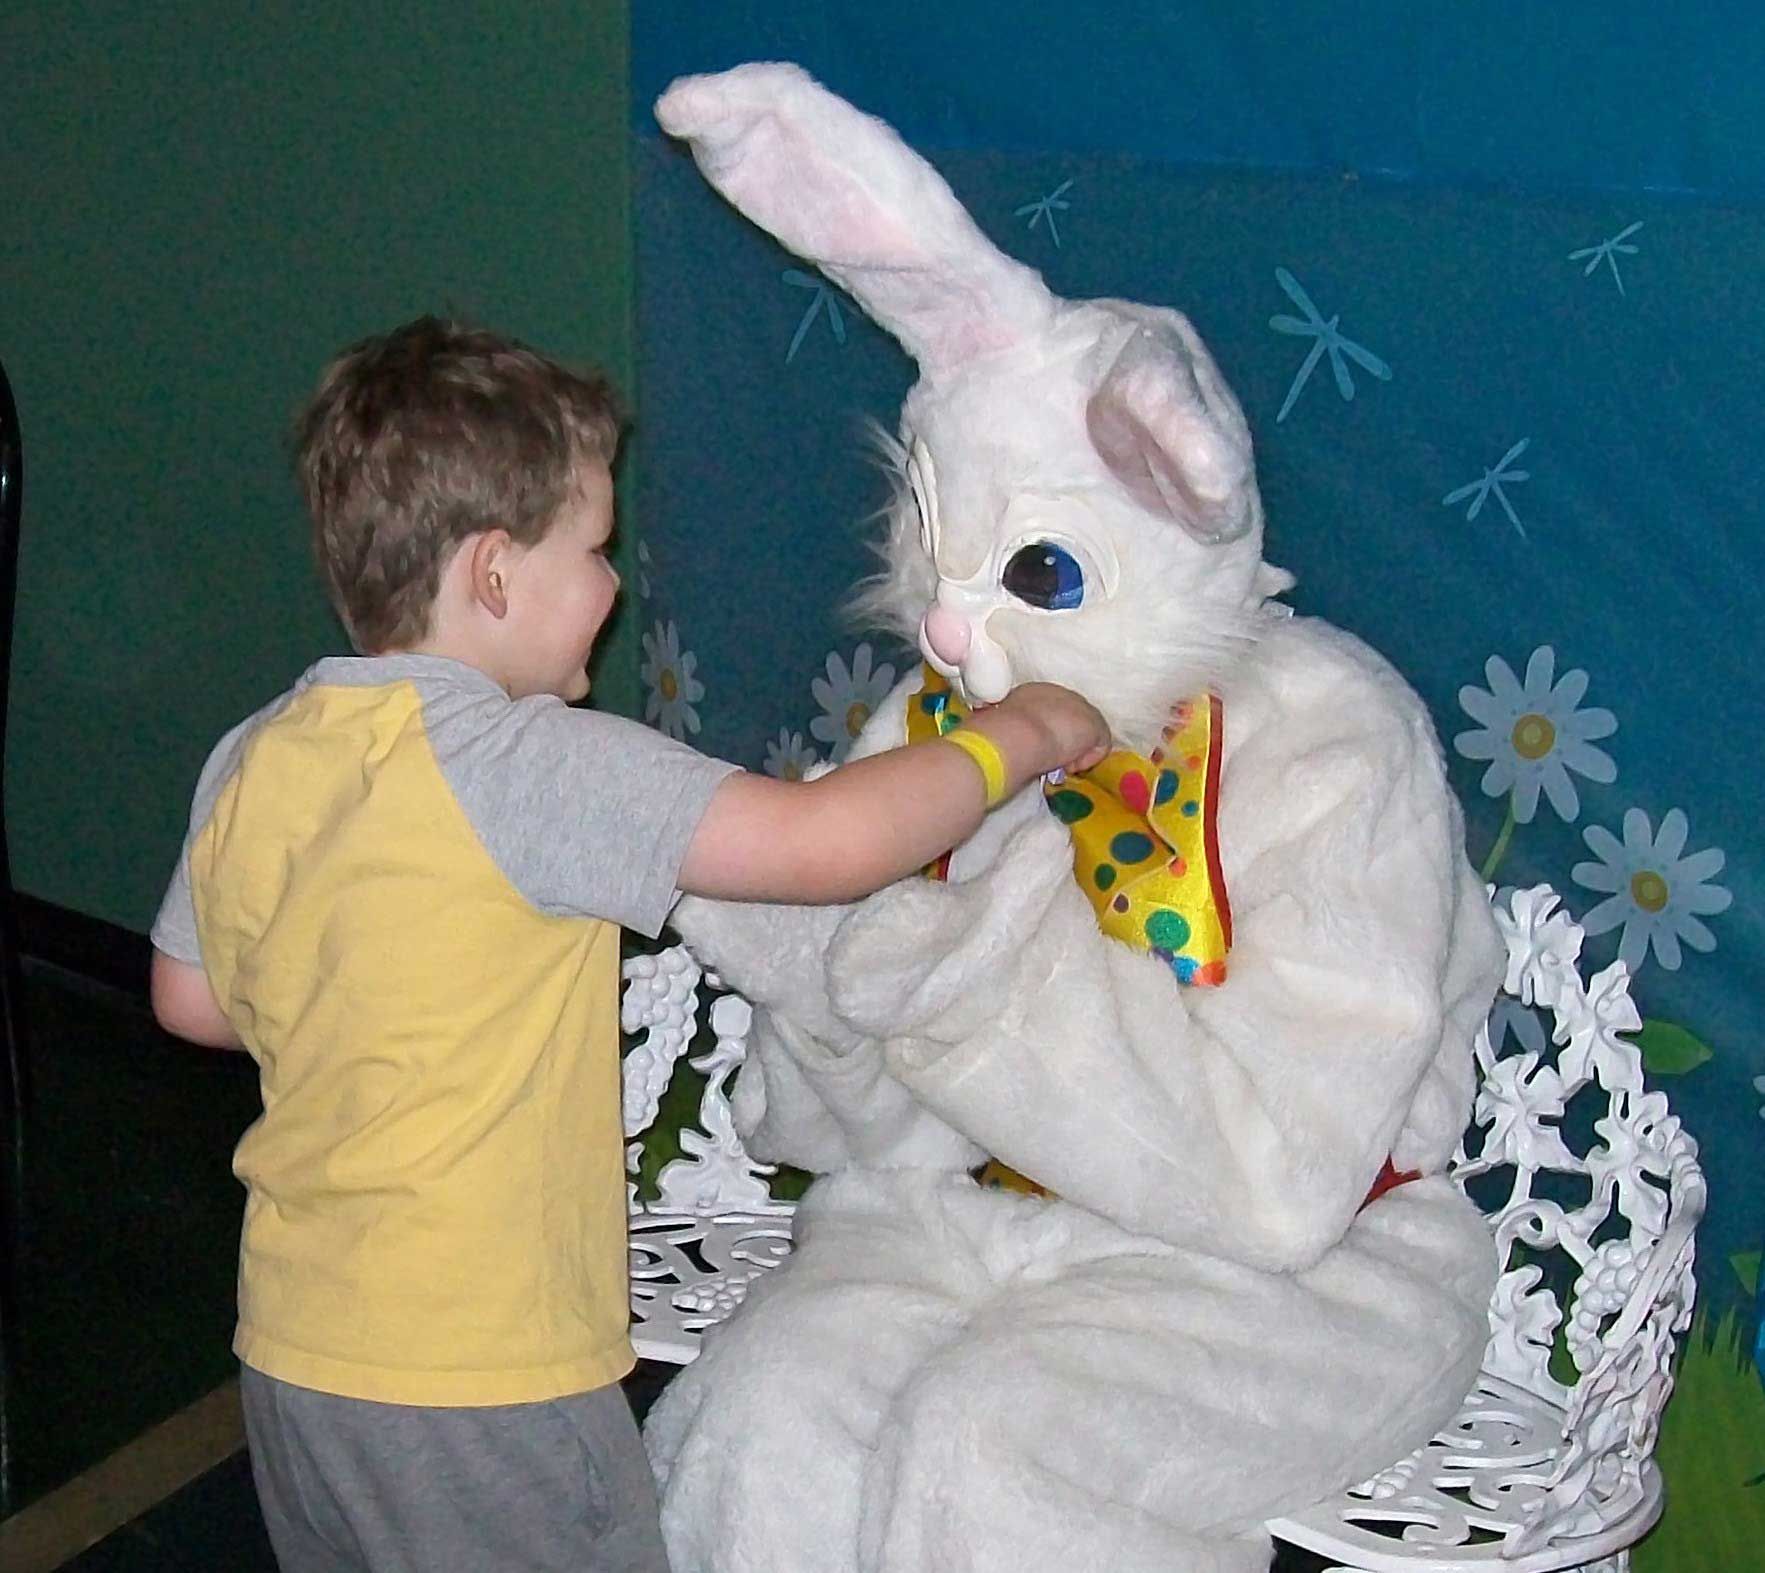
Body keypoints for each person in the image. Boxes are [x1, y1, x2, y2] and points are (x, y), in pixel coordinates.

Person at [149, 315, 1109, 1573]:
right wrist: (1019, 736)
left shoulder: (258, 751)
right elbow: (821, 844)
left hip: (295, 1358)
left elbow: (190, 1001)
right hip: (482, 1382)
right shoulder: (525, 760)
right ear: (494, 573)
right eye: (594, 548)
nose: (611, 586)